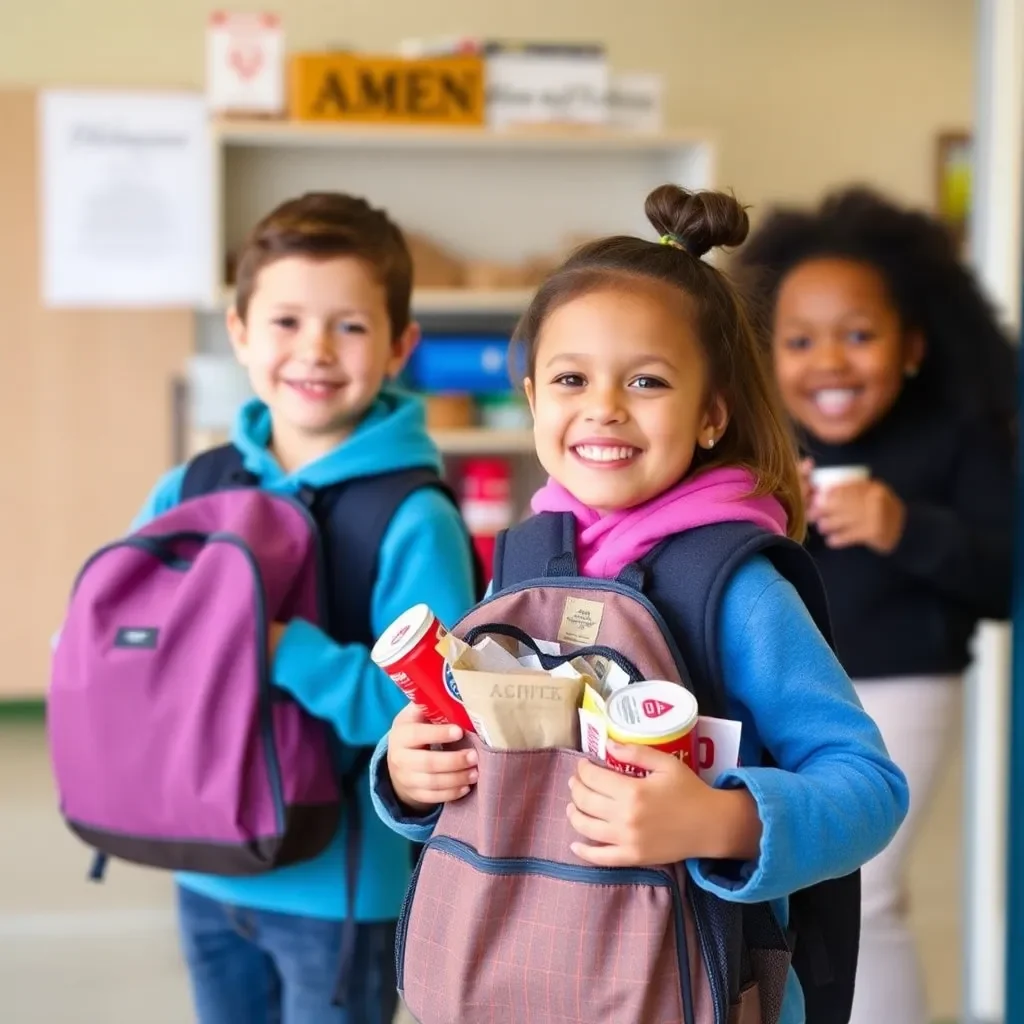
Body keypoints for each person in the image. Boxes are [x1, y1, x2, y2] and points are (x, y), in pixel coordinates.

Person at [370, 184, 910, 1024]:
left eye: (648, 380)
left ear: (709, 417)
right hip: (502, 976)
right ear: (532, 396)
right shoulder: (521, 565)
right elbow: (497, 778)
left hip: (685, 989)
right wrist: (410, 775)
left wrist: (722, 822)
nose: (603, 407)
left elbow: (869, 790)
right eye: (571, 377)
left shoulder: (736, 590)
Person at [130, 192, 478, 1023]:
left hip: (341, 889)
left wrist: (281, 647)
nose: (314, 350)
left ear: (399, 346)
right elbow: (132, 639)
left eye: (349, 326)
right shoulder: (192, 486)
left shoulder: (414, 516)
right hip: (204, 861)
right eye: (286, 322)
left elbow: (430, 711)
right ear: (240, 330)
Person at [738, 187, 1016, 1024]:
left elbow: (1003, 581)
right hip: (781, 688)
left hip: (906, 680)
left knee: (871, 890)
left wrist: (907, 528)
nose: (829, 361)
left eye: (858, 336)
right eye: (800, 340)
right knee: (789, 897)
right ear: (764, 352)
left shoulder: (959, 437)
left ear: (912, 348)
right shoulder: (757, 440)